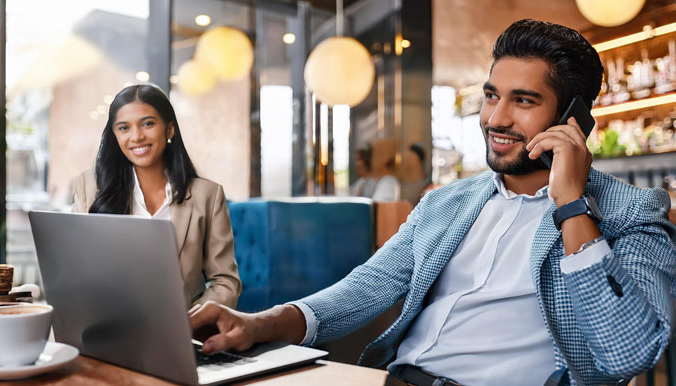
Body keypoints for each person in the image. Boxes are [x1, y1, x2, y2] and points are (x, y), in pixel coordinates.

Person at [188, 19, 676, 385]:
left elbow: (628, 352)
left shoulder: (630, 212)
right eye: (491, 96)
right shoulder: (447, 203)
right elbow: (365, 288)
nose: (495, 118)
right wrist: (257, 324)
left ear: (573, 118)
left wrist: (571, 206)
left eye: (523, 101)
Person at [72, 84, 241, 309]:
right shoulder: (89, 187)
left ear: (169, 130)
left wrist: (191, 321)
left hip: (184, 332)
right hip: (109, 328)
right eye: (124, 128)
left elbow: (225, 282)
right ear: (115, 136)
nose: (137, 136)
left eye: (148, 124)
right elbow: (74, 269)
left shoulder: (207, 195)